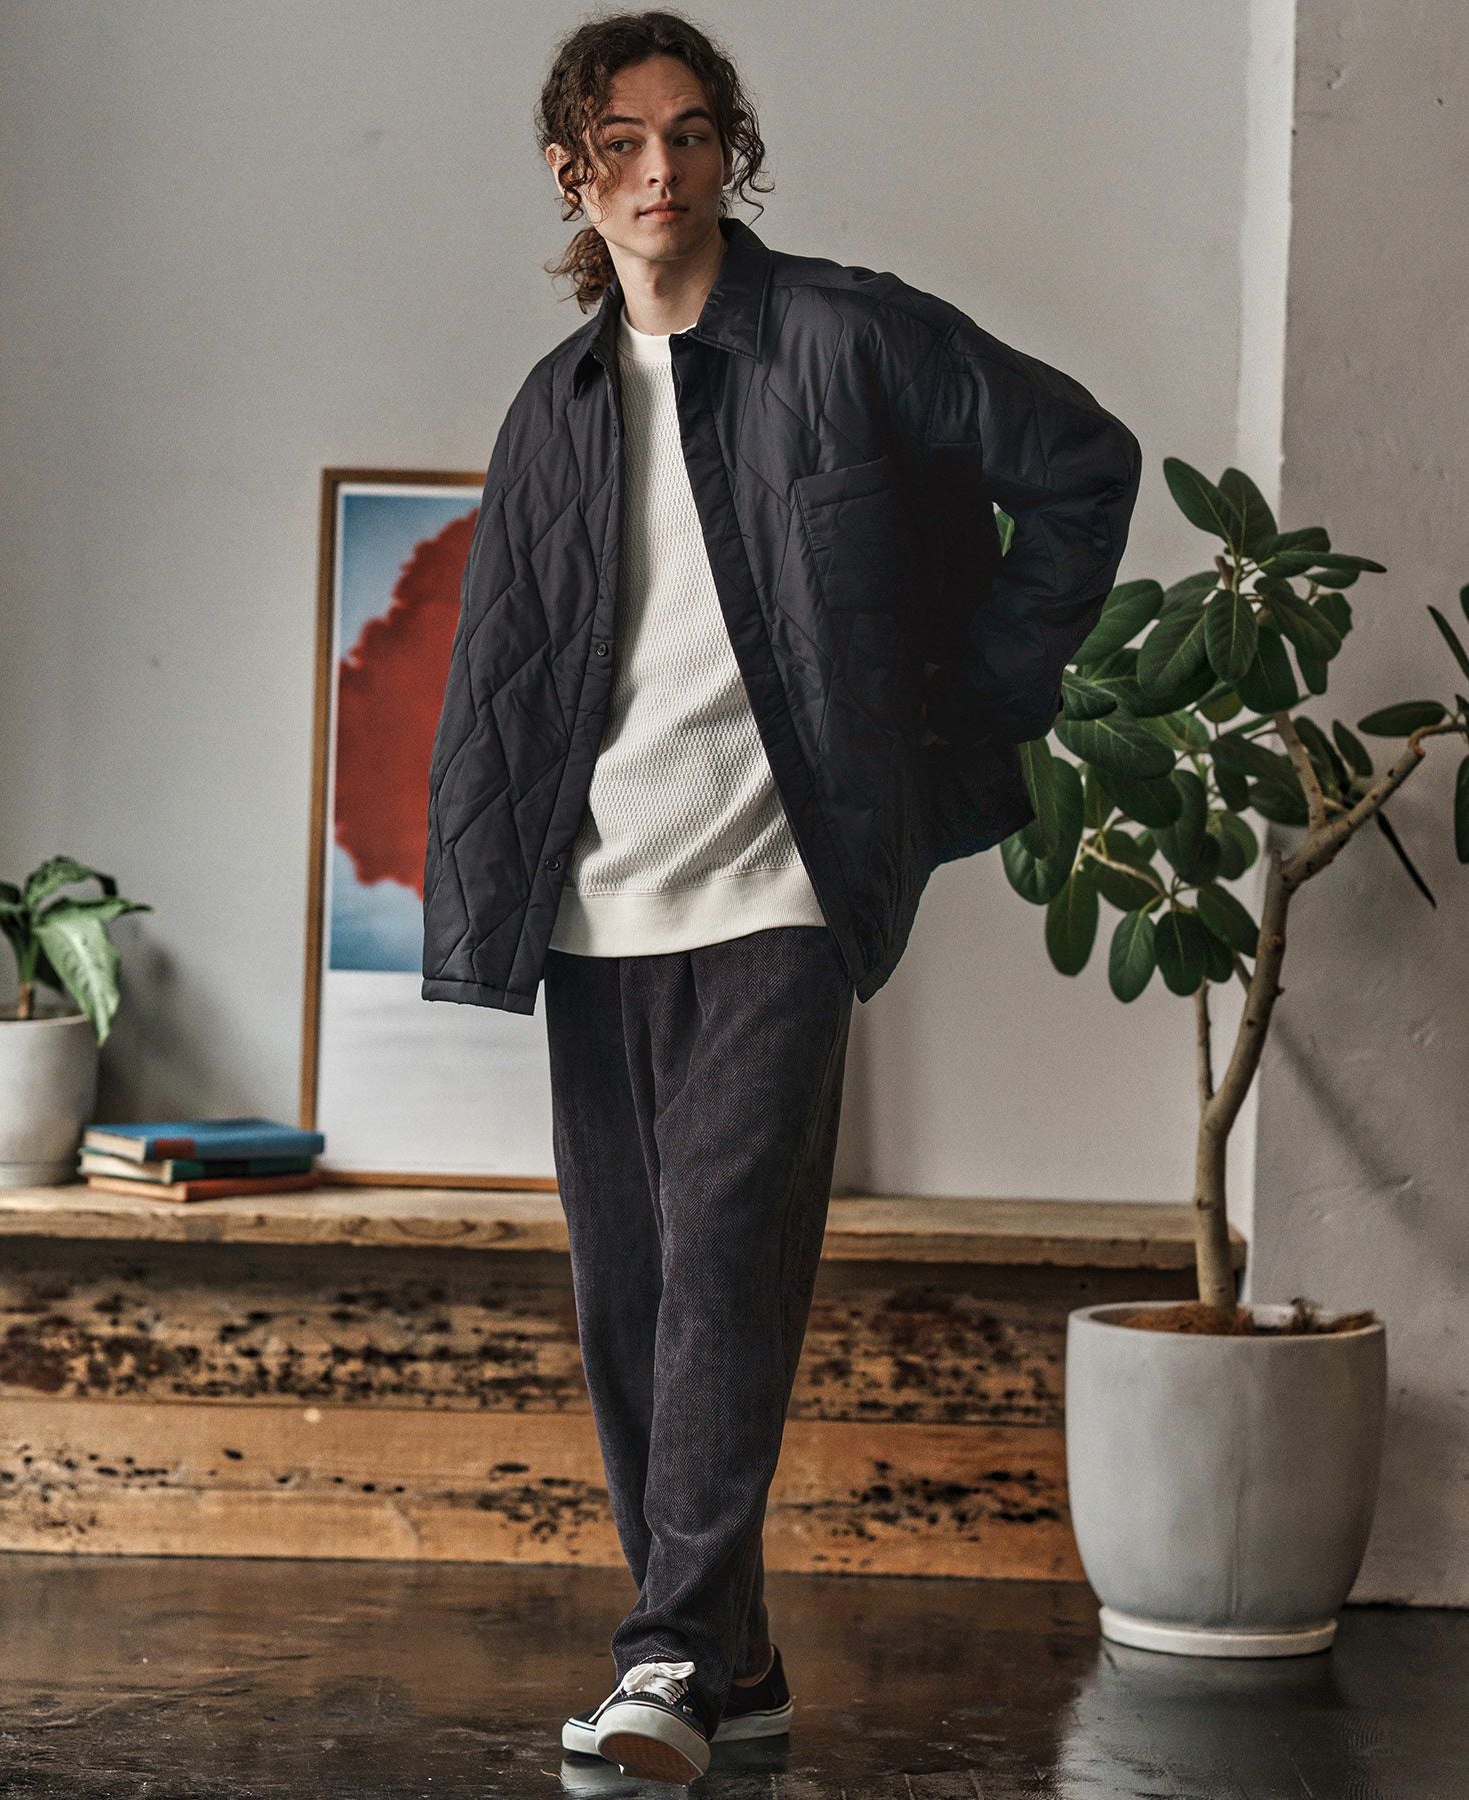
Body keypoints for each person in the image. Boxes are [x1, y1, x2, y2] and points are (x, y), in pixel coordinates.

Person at [421, 8, 1141, 1784]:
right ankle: (732, 1665)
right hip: (599, 912)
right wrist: (490, 900)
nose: (660, 170)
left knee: (726, 1274)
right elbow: (506, 680)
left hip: (776, 891)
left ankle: (662, 1653)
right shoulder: (554, 406)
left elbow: (1082, 464)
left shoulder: (847, 335)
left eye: (690, 133)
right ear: (571, 172)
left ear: (728, 150)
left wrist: (970, 713)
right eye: (621, 142)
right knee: (630, 1303)